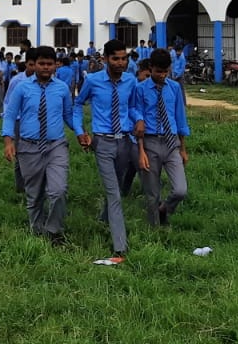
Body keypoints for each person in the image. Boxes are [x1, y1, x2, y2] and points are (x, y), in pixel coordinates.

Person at [1, 46, 87, 244]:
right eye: (42, 63)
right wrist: (8, 141)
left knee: (58, 190)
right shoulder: (22, 87)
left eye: (50, 64)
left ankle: (54, 231)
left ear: (56, 65)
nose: (46, 67)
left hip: (56, 146)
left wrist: (80, 132)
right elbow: (10, 115)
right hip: (28, 147)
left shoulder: (62, 88)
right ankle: (37, 231)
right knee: (34, 195)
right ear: (34, 64)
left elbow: (68, 115)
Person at [75, 39, 140, 261]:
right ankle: (120, 247)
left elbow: (132, 107)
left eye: (124, 59)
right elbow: (78, 104)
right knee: (114, 193)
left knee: (117, 186)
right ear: (105, 59)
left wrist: (139, 119)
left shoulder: (130, 81)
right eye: (116, 59)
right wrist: (79, 131)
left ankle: (104, 218)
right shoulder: (93, 81)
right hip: (102, 142)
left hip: (125, 141)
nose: (121, 63)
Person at [134, 50, 190, 227]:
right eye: (159, 71)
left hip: (171, 142)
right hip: (150, 142)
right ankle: (155, 229)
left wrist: (183, 148)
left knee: (180, 190)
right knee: (152, 193)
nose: (162, 75)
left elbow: (180, 118)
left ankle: (164, 209)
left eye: (166, 71)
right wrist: (141, 151)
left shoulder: (174, 88)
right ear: (151, 68)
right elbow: (137, 119)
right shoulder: (140, 89)